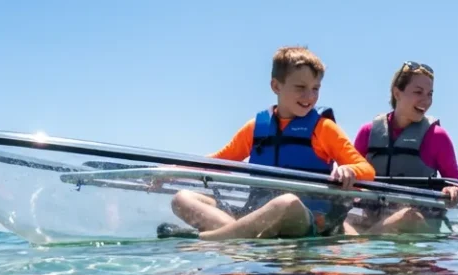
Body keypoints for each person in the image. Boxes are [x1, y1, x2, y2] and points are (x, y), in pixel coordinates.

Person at [159, 46, 376, 240]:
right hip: (258, 215)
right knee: (182, 198)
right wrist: (174, 171)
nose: (309, 96)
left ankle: (206, 240)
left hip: (306, 219)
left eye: (315, 88)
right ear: (276, 86)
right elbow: (219, 161)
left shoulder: (324, 128)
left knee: (287, 202)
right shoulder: (256, 128)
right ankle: (236, 234)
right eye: (300, 87)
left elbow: (366, 169)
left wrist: (350, 169)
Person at [351, 61, 458, 234]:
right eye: (418, 92)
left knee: (408, 217)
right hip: (370, 218)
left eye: (430, 94)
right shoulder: (367, 132)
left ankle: (365, 245)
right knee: (345, 222)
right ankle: (364, 246)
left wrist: (453, 189)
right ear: (397, 93)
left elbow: (457, 183)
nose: (426, 101)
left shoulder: (437, 136)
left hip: (415, 225)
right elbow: (352, 175)